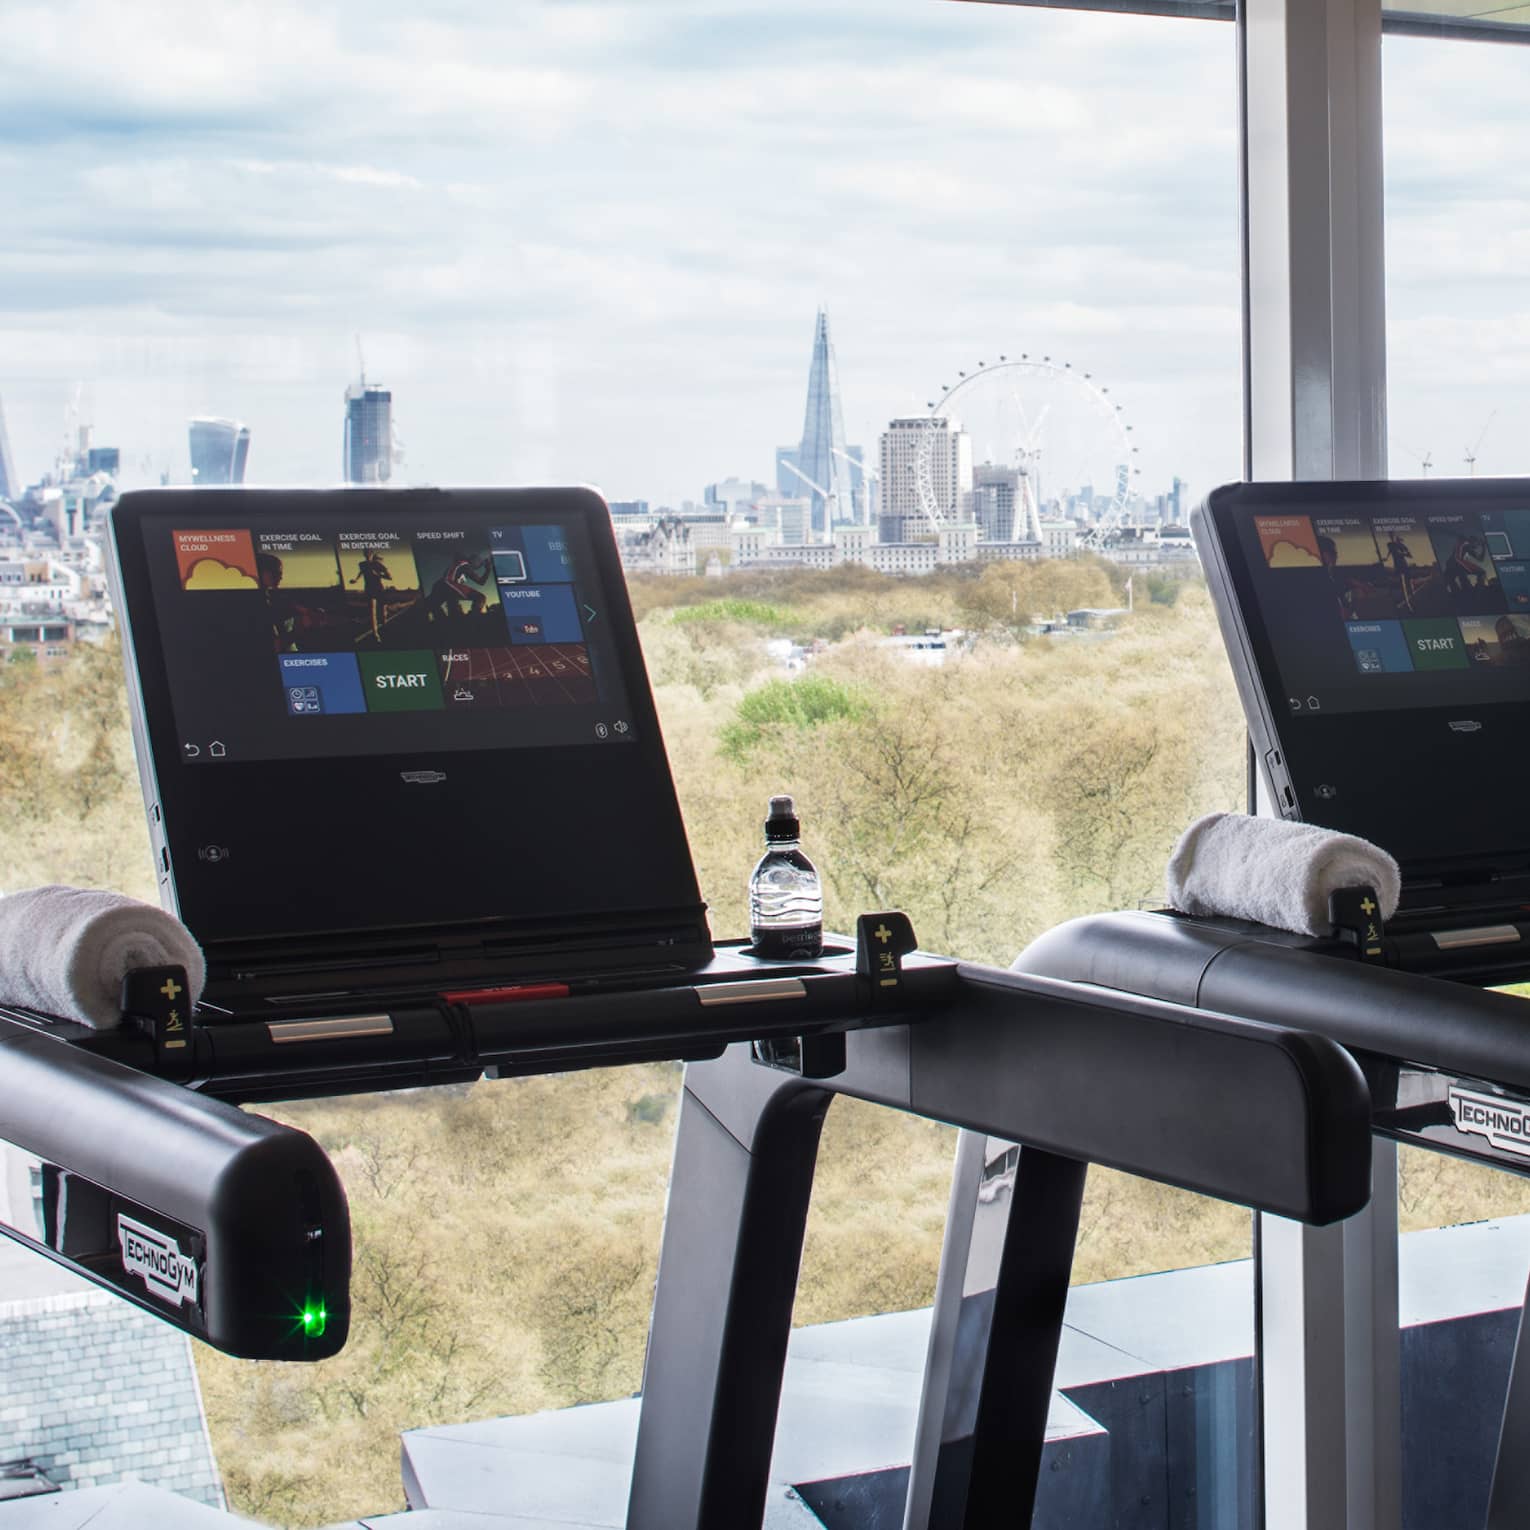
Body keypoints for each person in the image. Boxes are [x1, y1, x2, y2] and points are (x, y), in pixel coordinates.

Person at [350, 547, 393, 641]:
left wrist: (378, 575)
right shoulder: (362, 564)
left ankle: (384, 625)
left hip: (379, 589)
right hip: (369, 589)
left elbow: (390, 577)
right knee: (372, 612)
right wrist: (355, 580)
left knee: (382, 613)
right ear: (364, 554)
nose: (367, 555)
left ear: (372, 554)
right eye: (366, 553)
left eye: (369, 553)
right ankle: (375, 634)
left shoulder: (377, 564)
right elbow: (361, 573)